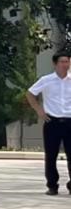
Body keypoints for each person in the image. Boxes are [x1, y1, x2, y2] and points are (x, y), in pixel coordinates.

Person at [27, 50, 71, 196]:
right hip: (52, 121)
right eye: (62, 62)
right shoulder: (46, 80)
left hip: (69, 121)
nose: (65, 65)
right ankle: (52, 185)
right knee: (51, 155)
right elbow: (30, 93)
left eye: (67, 61)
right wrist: (39, 110)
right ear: (55, 64)